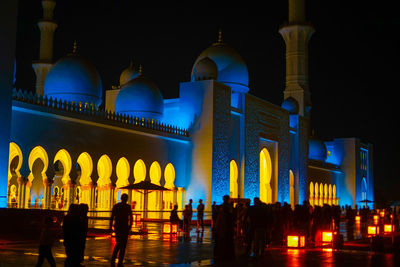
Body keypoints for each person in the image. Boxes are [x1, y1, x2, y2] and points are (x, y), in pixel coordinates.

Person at [110, 193, 133, 267]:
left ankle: (113, 258)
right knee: (123, 245)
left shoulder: (116, 206)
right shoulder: (128, 207)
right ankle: (120, 260)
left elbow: (112, 216)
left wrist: (110, 226)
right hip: (124, 227)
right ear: (126, 199)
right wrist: (130, 226)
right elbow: (131, 217)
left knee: (118, 243)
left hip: (118, 226)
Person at [214, 195, 235, 263]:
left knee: (223, 241)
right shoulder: (227, 207)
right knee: (226, 241)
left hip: (224, 226)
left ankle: (223, 254)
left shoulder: (222, 206)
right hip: (226, 226)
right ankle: (226, 255)